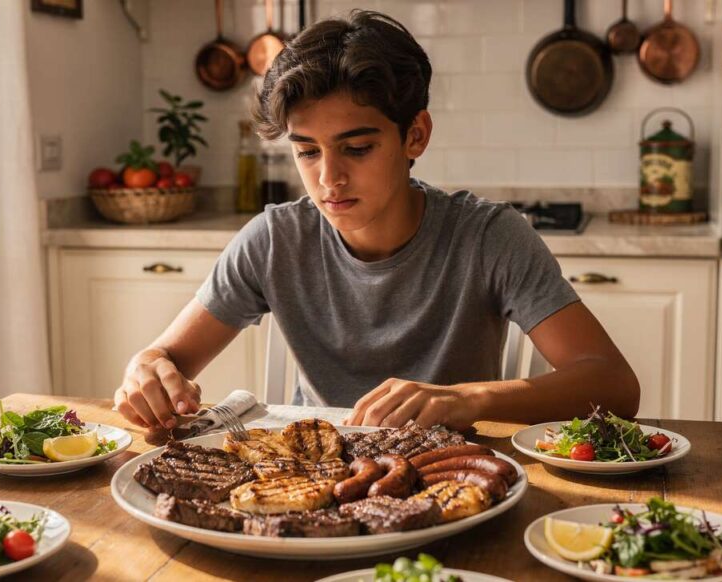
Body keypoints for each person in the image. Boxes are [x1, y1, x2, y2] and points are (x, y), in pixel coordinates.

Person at [114, 10, 639, 439]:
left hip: (452, 481)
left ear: (415, 136)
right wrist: (147, 371)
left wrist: (466, 398)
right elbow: (165, 359)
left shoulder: (488, 238)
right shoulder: (274, 240)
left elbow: (614, 384)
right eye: (306, 152)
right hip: (310, 481)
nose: (329, 178)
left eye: (357, 148)